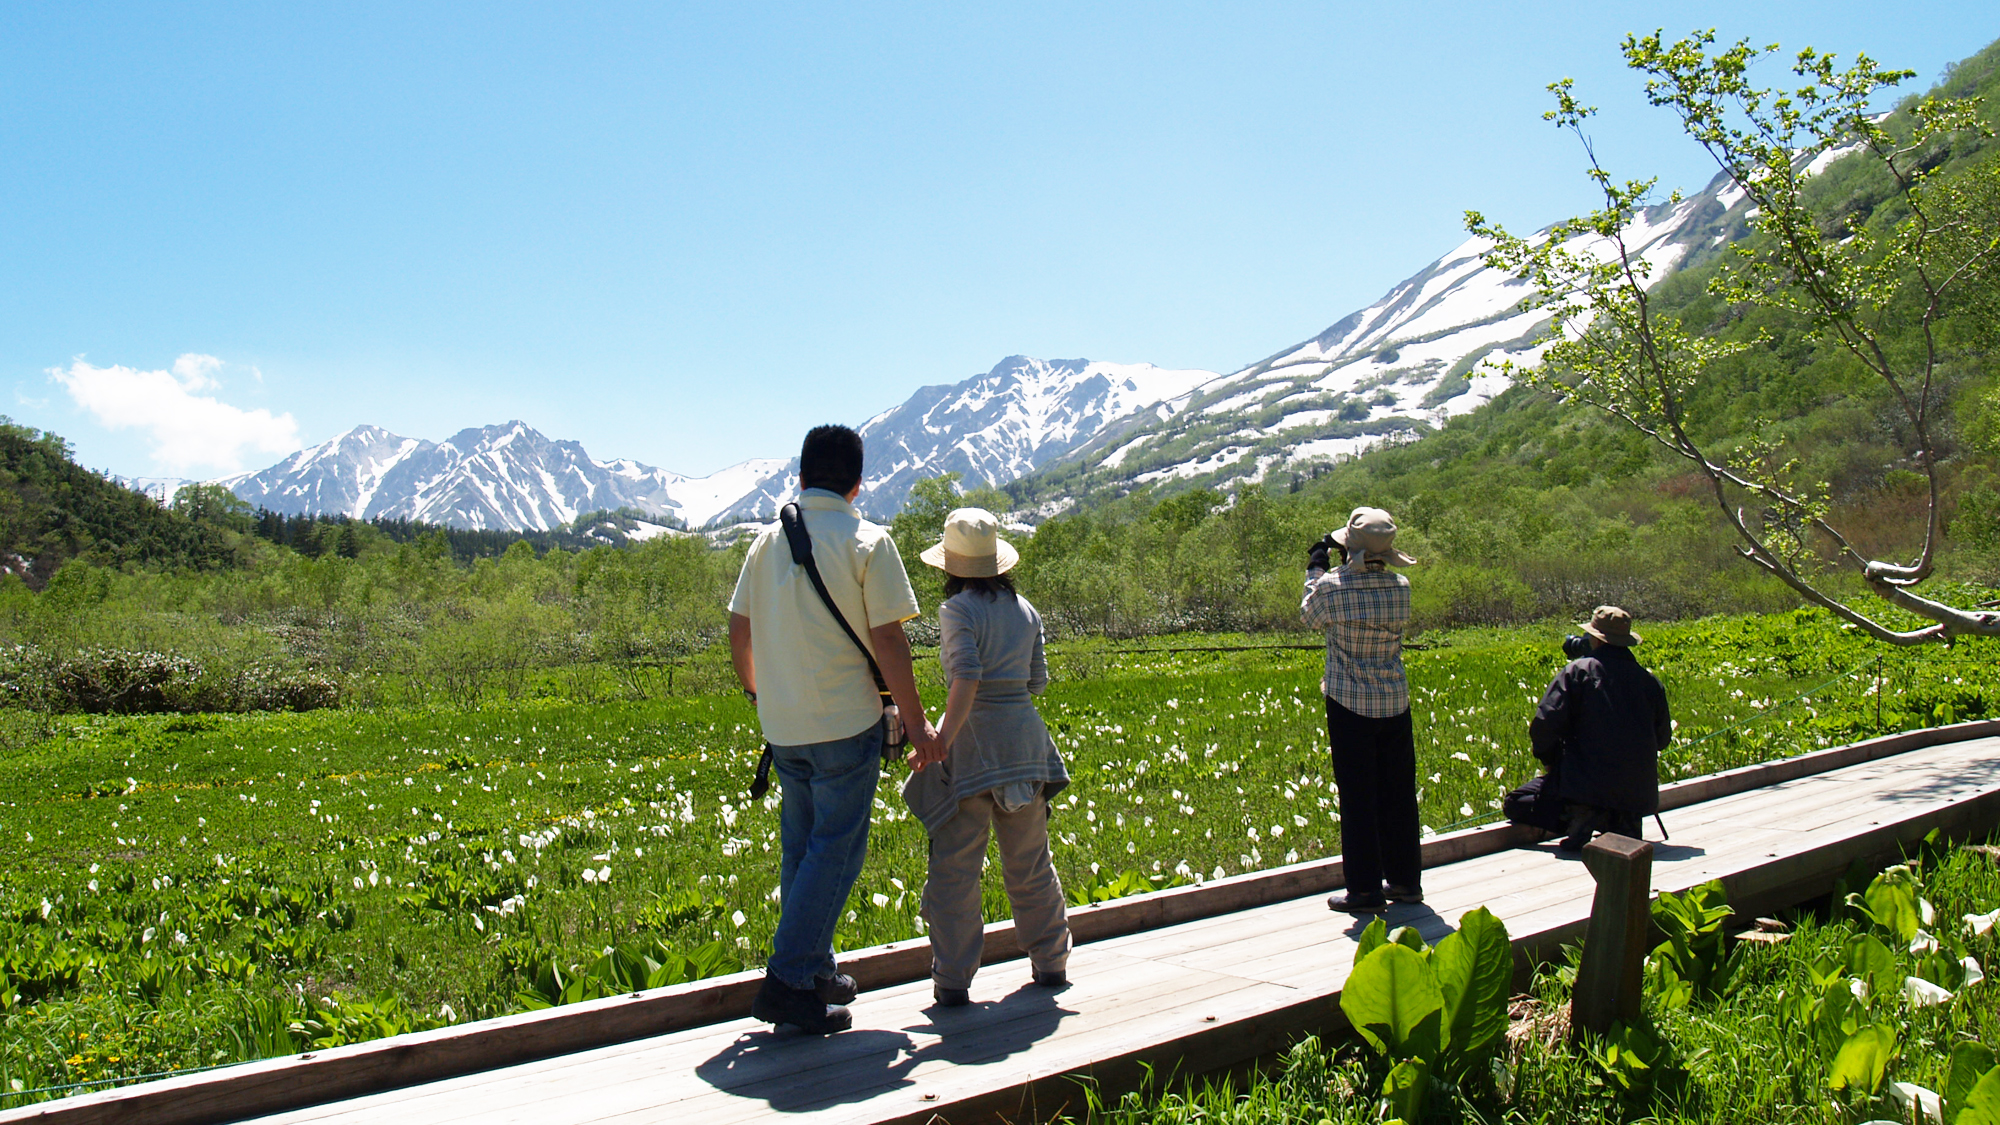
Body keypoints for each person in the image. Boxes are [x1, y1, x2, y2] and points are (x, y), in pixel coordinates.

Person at [729, 424, 942, 1034]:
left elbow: (740, 631)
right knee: (837, 849)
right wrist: (919, 723)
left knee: (801, 845)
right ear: (857, 483)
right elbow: (889, 640)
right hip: (846, 723)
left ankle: (814, 971)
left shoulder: (765, 544)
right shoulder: (868, 541)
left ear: (800, 476)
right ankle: (790, 978)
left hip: (784, 726)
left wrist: (757, 691)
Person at [903, 507, 1072, 1008]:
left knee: (956, 870)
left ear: (951, 567)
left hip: (975, 749)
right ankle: (1051, 962)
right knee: (1031, 864)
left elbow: (967, 679)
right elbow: (1036, 682)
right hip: (1027, 745)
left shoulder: (957, 611)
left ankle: (953, 982)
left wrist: (942, 741)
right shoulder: (1025, 609)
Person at [1302, 506, 1421, 914]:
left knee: (1358, 797)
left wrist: (1315, 569)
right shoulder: (1401, 586)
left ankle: (1365, 890)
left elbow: (1309, 614)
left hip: (1348, 702)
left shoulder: (1333, 587)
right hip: (1394, 701)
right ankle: (1405, 881)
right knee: (1398, 793)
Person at [1528, 605, 1672, 853]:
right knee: (1626, 832)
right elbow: (1662, 739)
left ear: (1595, 638)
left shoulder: (1576, 672)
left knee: (1519, 802)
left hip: (1584, 789)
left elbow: (1545, 725)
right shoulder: (1649, 681)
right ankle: (1616, 825)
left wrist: (1552, 763)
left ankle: (1581, 824)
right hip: (1635, 795)